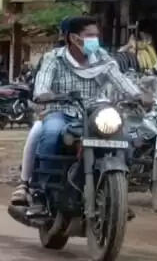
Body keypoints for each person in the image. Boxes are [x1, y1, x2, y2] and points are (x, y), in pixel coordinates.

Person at [12, 16, 146, 220]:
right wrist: (45, 94)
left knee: (125, 137)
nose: (95, 40)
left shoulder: (102, 58)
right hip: (61, 111)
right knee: (50, 133)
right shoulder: (54, 58)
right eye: (90, 35)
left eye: (96, 35)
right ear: (74, 38)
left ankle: (117, 194)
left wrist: (139, 95)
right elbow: (41, 87)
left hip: (95, 114)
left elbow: (120, 79)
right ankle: (41, 193)